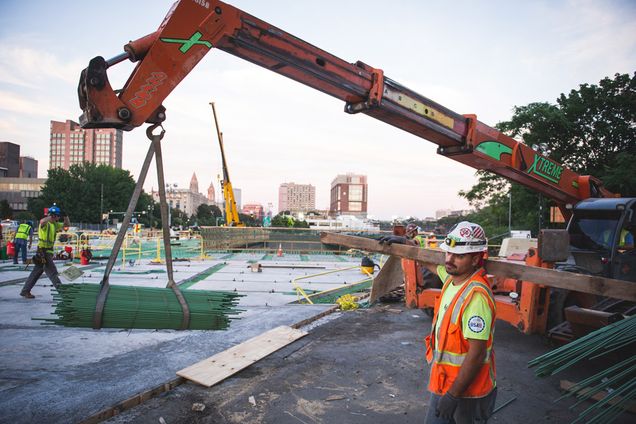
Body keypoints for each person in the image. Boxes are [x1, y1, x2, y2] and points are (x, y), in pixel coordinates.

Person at [381, 221, 497, 423]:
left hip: (466, 393)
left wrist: (453, 395)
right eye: (448, 253)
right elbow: (429, 263)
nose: (450, 260)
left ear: (476, 258)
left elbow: (476, 354)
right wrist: (407, 243)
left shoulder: (476, 298)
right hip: (446, 384)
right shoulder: (454, 279)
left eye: (459, 255)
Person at [20, 204, 70, 299]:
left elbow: (67, 225)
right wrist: (50, 216)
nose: (58, 218)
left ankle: (25, 291)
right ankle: (63, 293)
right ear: (53, 215)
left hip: (46, 252)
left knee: (36, 272)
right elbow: (42, 221)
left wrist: (66, 216)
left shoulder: (55, 225)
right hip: (43, 252)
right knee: (52, 273)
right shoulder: (46, 224)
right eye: (57, 216)